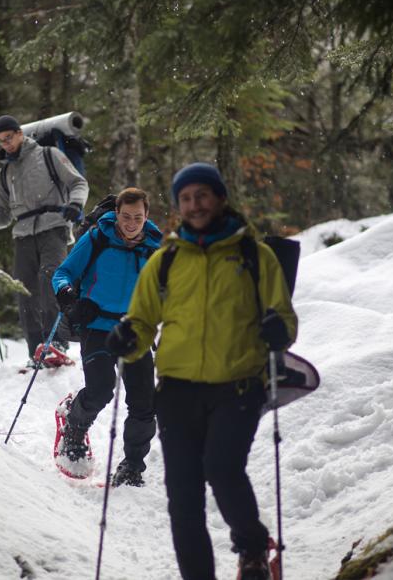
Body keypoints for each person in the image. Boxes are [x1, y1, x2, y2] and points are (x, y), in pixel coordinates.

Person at [106, 164, 298, 579]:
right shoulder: (166, 261)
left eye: (202, 195)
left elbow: (284, 317)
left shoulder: (254, 255)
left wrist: (279, 330)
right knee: (183, 498)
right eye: (186, 198)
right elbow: (141, 322)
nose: (195, 204)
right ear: (178, 205)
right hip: (176, 392)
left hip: (239, 385)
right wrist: (127, 337)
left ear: (219, 198)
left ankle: (252, 550)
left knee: (223, 468)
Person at [51, 187, 162, 485]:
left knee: (143, 402)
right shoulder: (98, 238)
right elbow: (62, 274)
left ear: (146, 216)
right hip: (96, 325)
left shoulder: (155, 248)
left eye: (137, 217)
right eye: (126, 216)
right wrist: (70, 298)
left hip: (134, 329)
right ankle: (72, 431)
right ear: (117, 214)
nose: (130, 222)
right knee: (100, 389)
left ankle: (132, 467)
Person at [0, 115, 89, 364]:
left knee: (50, 281)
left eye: (9, 138)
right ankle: (36, 351)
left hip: (53, 228)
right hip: (23, 235)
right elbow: (3, 215)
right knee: (24, 292)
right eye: (1, 141)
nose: (6, 144)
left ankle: (57, 343)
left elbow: (78, 182)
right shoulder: (4, 173)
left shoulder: (49, 155)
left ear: (20, 133)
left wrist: (75, 204)